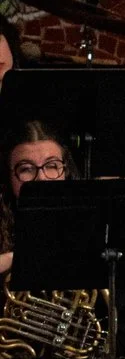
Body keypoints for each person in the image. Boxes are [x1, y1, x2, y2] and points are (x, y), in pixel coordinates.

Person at [0, 118, 77, 285]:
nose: (41, 178)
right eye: (26, 169)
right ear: (9, 177)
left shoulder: (89, 224)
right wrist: (15, 259)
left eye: (51, 166)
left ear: (65, 171)